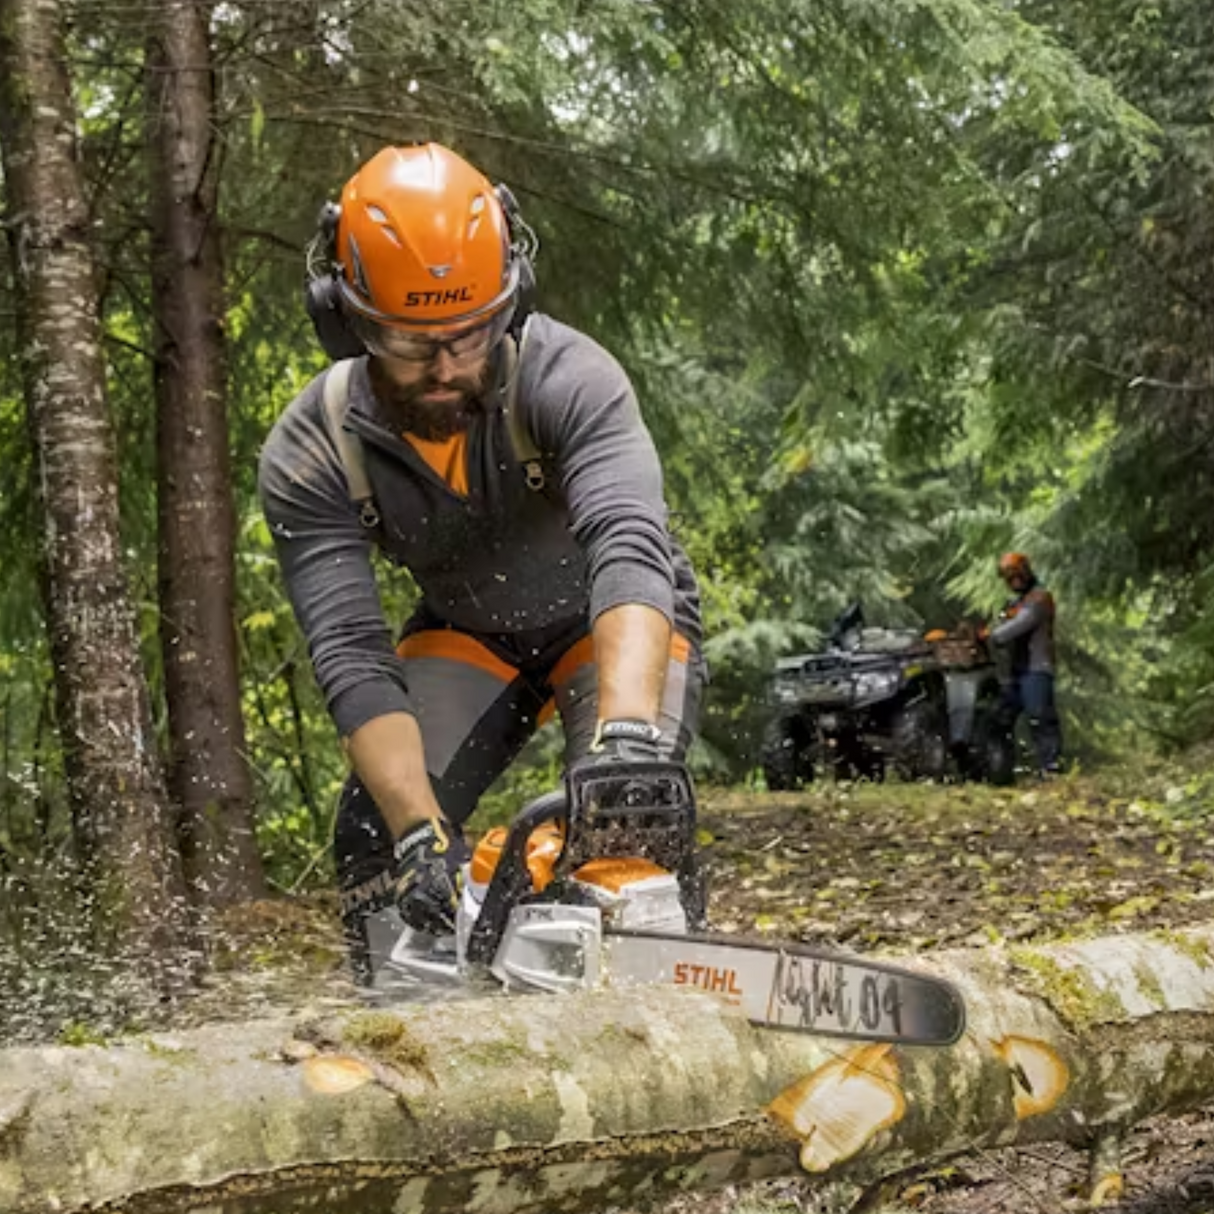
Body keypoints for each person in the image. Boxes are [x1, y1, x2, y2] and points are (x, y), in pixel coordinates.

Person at [257, 143, 705, 987]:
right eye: (408, 340)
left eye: (470, 334)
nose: (447, 366)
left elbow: (630, 547)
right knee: (377, 837)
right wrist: (419, 832)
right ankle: (428, 1054)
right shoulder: (312, 450)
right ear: (343, 316)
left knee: (624, 828)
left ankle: (660, 1031)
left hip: (604, 626)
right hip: (471, 633)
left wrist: (628, 741)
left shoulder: (570, 378)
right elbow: (352, 650)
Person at [988, 552, 1062, 777]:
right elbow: (1002, 623)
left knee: (1039, 717)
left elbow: (1018, 626)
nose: (1013, 581)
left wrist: (992, 635)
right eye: (1009, 578)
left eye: (1016, 575)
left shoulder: (1039, 598)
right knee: (999, 717)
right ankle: (1000, 767)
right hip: (1015, 671)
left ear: (1026, 571)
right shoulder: (1015, 602)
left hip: (1036, 669)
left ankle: (1050, 767)